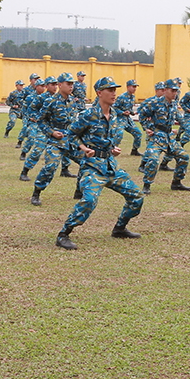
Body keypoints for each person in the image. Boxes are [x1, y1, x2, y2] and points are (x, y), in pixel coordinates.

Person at [56, 77, 144, 250]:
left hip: (110, 165)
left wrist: (113, 149)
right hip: (92, 167)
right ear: (99, 93)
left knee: (137, 197)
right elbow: (71, 134)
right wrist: (82, 147)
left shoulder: (116, 115)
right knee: (89, 200)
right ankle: (63, 234)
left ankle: (120, 228)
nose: (114, 93)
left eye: (114, 89)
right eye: (109, 90)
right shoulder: (88, 115)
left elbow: (107, 139)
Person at [30, 72, 82, 206]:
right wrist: (52, 132)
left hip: (71, 140)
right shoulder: (50, 101)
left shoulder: (72, 101)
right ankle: (37, 192)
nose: (71, 87)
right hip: (56, 141)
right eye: (68, 84)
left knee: (87, 161)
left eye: (72, 84)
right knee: (51, 167)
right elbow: (41, 121)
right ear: (60, 85)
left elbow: (75, 121)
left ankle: (79, 191)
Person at [139, 79, 190, 194]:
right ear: (165, 90)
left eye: (176, 91)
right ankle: (147, 185)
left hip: (169, 137)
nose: (175, 93)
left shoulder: (173, 104)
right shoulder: (155, 103)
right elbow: (142, 114)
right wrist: (148, 127)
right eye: (173, 91)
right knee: (153, 160)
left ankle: (176, 183)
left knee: (184, 157)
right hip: (157, 136)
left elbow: (176, 119)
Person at [19, 77, 49, 181]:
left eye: (44, 86)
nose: (43, 88)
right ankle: (24, 152)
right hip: (33, 122)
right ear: (36, 87)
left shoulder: (51, 98)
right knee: (31, 138)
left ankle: (65, 169)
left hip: (46, 125)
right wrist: (30, 119)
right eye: (41, 86)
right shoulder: (31, 97)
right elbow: (26, 110)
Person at [114, 79, 144, 156]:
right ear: (128, 87)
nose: (134, 89)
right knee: (119, 134)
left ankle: (134, 150)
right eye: (133, 87)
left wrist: (133, 112)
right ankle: (112, 150)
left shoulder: (132, 97)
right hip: (120, 119)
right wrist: (122, 112)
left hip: (128, 120)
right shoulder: (121, 97)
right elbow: (114, 108)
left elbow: (129, 109)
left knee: (138, 133)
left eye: (135, 87)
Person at [16, 73, 40, 151]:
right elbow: (19, 98)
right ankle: (20, 141)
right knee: (25, 127)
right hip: (26, 112)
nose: (36, 81)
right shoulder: (26, 90)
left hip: (36, 113)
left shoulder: (39, 89)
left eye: (37, 79)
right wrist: (25, 104)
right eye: (35, 79)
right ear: (30, 80)